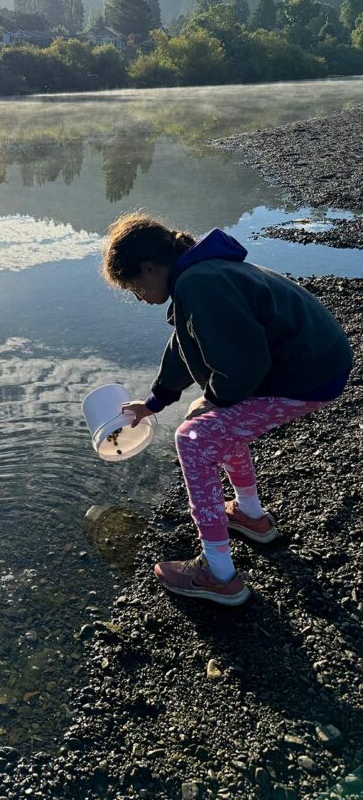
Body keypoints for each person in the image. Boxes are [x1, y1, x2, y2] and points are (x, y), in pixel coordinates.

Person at [103, 213, 353, 606]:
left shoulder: (199, 283)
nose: (139, 297)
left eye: (135, 287)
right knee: (218, 421)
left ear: (149, 267)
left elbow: (245, 368)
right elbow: (185, 345)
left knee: (193, 438)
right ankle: (250, 515)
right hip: (316, 364)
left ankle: (218, 574)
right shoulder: (199, 273)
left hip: (307, 375)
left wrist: (214, 399)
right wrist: (153, 403)